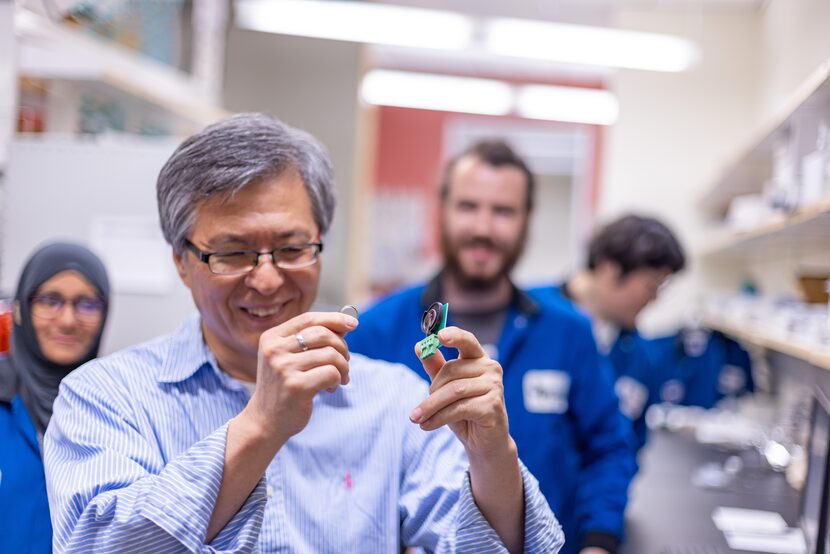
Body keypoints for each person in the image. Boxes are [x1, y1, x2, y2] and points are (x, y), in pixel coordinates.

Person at [44, 113, 563, 553]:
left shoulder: (392, 401)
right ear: (182, 261)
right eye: (232, 252)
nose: (268, 279)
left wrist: (493, 458)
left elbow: (482, 541)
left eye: (293, 249)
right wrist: (260, 427)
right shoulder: (106, 397)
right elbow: (96, 541)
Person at [347, 140, 636, 554]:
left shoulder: (567, 332)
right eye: (468, 206)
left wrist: (599, 541)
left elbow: (609, 447)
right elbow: (351, 464)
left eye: (503, 211)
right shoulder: (376, 331)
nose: (483, 227)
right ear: (442, 210)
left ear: (525, 221)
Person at [530, 214, 686, 451]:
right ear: (609, 269)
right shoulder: (527, 316)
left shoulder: (643, 357)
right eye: (652, 285)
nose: (654, 298)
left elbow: (630, 447)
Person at [0, 242, 110, 553]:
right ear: (21, 306)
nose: (67, 320)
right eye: (50, 300)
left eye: (87, 304)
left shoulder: (118, 409)